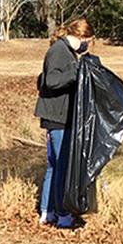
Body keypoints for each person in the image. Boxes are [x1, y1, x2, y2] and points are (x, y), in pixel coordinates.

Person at [34, 18, 95, 228]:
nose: (88, 45)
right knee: (61, 167)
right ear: (80, 37)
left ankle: (47, 212)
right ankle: (61, 214)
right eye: (88, 41)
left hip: (56, 116)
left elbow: (42, 79)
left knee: (54, 166)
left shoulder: (63, 50)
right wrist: (77, 71)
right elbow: (51, 81)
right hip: (57, 118)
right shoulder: (60, 50)